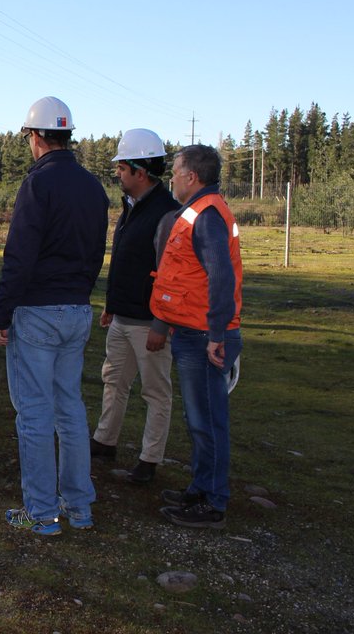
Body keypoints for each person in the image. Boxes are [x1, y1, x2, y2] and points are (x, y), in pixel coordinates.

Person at [0, 97, 109, 535]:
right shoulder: (93, 186)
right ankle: (79, 508)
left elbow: (19, 254)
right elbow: (97, 250)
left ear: (35, 136)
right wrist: (80, 292)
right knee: (71, 411)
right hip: (76, 309)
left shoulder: (38, 184)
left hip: (37, 312)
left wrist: (2, 312)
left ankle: (41, 514)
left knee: (35, 415)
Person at [150, 144, 243, 529]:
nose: (171, 177)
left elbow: (221, 275)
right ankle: (201, 488)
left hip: (205, 334)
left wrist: (217, 333)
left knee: (207, 420)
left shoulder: (206, 216)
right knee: (198, 418)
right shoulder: (199, 212)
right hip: (193, 329)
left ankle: (213, 502)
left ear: (192, 177)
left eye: (175, 170)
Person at [89, 129, 181, 485]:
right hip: (122, 317)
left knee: (156, 392)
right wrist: (111, 305)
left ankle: (149, 460)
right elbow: (124, 261)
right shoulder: (131, 207)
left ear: (140, 172)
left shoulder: (167, 214)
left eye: (122, 168)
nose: (117, 174)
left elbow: (170, 275)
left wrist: (161, 323)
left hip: (149, 323)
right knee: (113, 380)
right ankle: (104, 440)